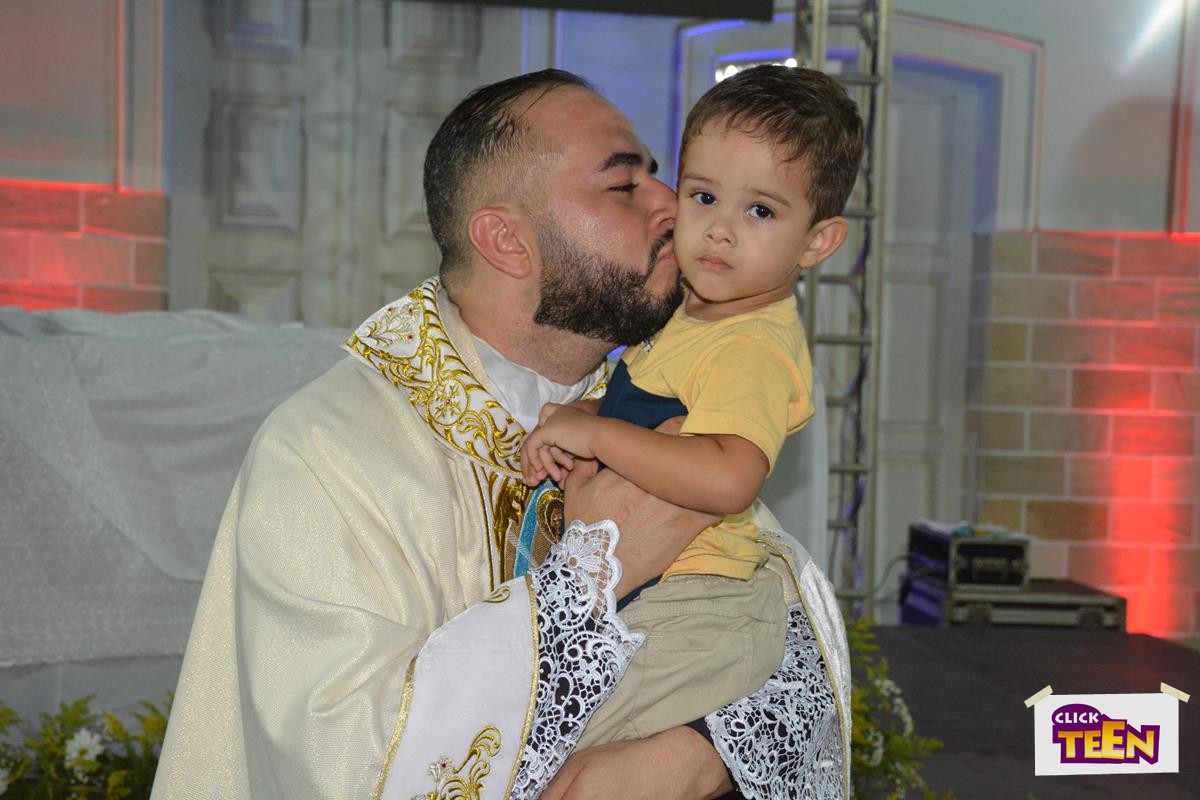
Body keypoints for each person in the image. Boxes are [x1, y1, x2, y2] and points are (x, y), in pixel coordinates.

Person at [152, 69, 851, 800]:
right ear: (508, 241)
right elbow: (347, 760)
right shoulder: (327, 453)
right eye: (624, 185)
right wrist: (594, 577)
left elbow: (781, 627)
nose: (670, 206)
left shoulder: (655, 396)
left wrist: (698, 751)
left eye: (660, 175)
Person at [519, 64, 862, 746]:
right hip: (658, 593)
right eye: (704, 197)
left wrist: (600, 439)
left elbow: (727, 476)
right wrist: (589, 417)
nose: (720, 230)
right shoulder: (699, 312)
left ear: (817, 242)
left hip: (694, 609)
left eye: (760, 211)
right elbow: (656, 408)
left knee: (550, 747)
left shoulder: (749, 346)